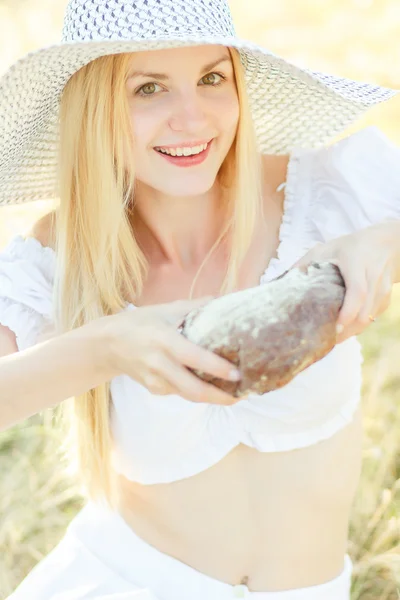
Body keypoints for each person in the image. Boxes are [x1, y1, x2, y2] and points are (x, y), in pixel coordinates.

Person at [1, 0, 400, 598]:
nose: (192, 119)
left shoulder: (323, 194)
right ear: (95, 109)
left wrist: (384, 241)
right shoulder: (62, 258)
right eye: (149, 89)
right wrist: (107, 347)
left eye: (212, 78)